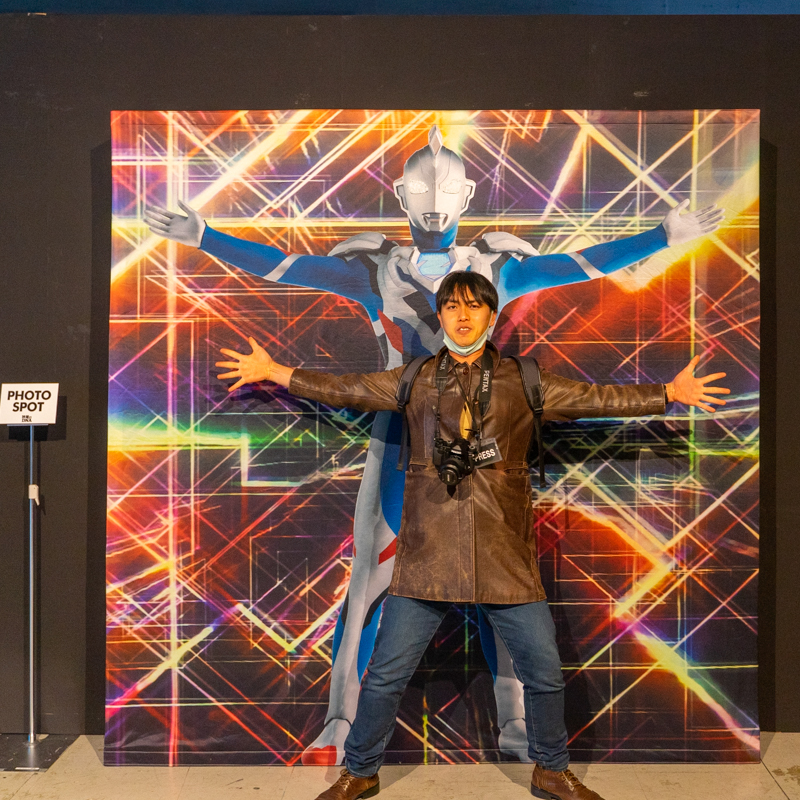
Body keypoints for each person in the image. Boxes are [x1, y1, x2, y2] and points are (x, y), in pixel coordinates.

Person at [147, 125, 725, 764]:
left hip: (486, 440)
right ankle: (343, 722)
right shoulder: (376, 270)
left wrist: (662, 239)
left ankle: (514, 720)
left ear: (467, 195)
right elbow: (290, 269)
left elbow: (579, 267)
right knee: (372, 578)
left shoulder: (495, 270)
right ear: (400, 194)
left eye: (446, 189)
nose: (433, 201)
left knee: (503, 578)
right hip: (402, 436)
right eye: (421, 189)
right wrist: (205, 238)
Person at [216, 270, 729, 800]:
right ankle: (360, 771)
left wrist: (669, 392)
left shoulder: (524, 380)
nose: (463, 316)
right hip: (428, 553)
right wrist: (273, 371)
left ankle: (551, 770)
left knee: (545, 675)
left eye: (474, 306)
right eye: (452, 306)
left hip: (503, 553)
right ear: (440, 316)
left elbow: (595, 398)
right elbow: (346, 388)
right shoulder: (414, 379)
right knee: (385, 676)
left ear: (491, 314)